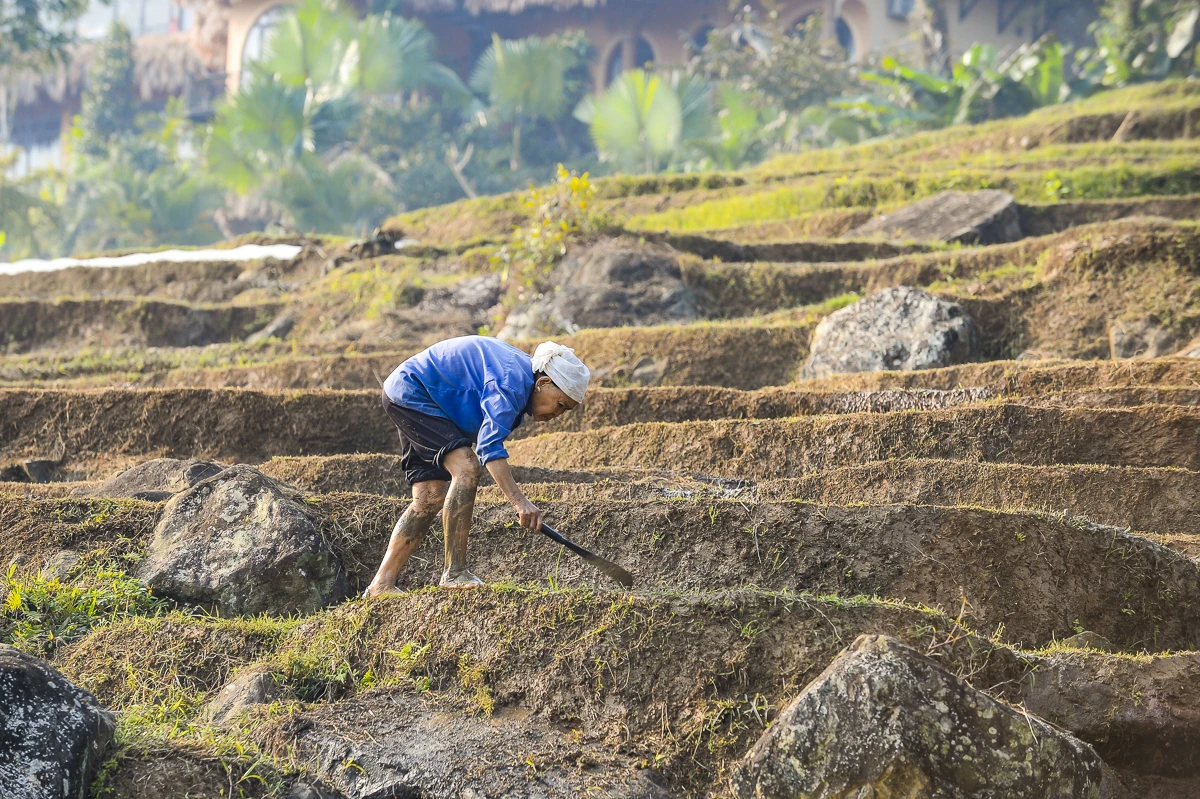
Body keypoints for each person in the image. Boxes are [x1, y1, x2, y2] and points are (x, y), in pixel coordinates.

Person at [364, 335, 590, 595]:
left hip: (416, 396)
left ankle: (381, 584)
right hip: (414, 393)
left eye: (565, 411)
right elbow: (488, 448)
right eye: (560, 404)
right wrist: (520, 502)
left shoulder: (519, 381)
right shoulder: (512, 382)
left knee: (429, 497)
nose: (556, 415)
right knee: (467, 467)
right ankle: (455, 572)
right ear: (544, 382)